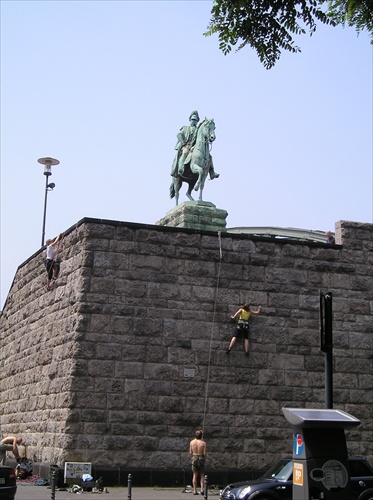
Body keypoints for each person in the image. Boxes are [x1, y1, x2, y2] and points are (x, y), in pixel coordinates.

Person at [171, 111, 219, 180]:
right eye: (192, 120)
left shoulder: (198, 129)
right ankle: (180, 168)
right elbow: (179, 134)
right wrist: (183, 142)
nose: (194, 121)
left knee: (209, 157)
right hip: (186, 145)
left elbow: (203, 136)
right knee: (185, 152)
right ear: (190, 120)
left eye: (195, 120)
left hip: (194, 147)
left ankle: (212, 172)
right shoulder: (185, 128)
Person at [189, 429, 207, 495]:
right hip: (201, 457)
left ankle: (194, 490)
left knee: (195, 475)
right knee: (202, 475)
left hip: (194, 457)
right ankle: (202, 489)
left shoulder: (191, 442)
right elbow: (204, 453)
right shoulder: (203, 443)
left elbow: (190, 452)